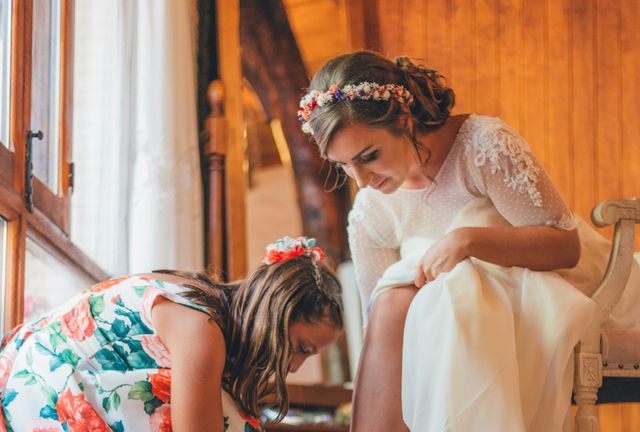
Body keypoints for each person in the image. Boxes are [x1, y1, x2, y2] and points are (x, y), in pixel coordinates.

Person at [297, 50, 640, 431]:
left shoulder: (480, 145)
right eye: (344, 165)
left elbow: (565, 248)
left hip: (562, 284)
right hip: (453, 314)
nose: (361, 180)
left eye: (369, 156)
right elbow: (377, 324)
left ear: (404, 120)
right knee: (396, 297)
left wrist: (468, 240)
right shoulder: (369, 211)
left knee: (448, 286)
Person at [0, 236, 343, 432]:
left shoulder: (198, 298)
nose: (295, 367)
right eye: (301, 348)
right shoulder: (202, 332)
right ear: (274, 315)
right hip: (34, 397)